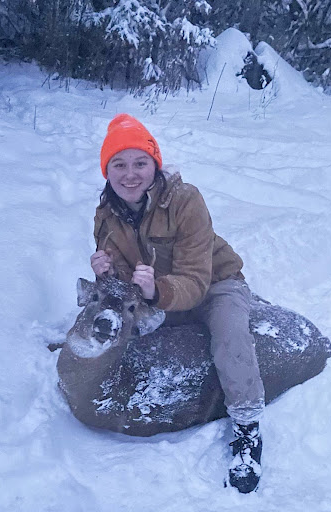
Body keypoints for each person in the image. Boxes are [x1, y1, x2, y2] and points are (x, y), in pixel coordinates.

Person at [90, 113, 265, 493]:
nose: (130, 174)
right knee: (125, 327)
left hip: (216, 284)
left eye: (140, 162)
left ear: (155, 164)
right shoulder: (105, 216)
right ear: (107, 170)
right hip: (161, 293)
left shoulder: (186, 200)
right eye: (118, 164)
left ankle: (248, 428)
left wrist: (156, 294)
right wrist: (107, 272)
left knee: (230, 340)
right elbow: (124, 281)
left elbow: (197, 280)